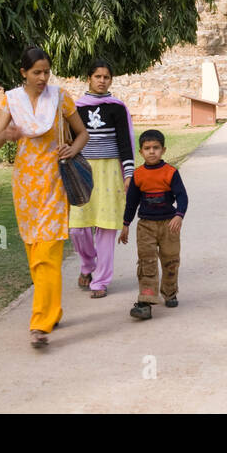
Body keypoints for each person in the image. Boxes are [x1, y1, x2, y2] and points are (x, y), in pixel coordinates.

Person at [0, 46, 88, 347]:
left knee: (47, 252)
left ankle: (40, 323)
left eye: (46, 71)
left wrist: (74, 147)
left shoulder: (61, 97)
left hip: (55, 181)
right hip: (25, 186)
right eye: (37, 72)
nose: (43, 77)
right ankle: (53, 308)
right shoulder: (12, 100)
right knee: (34, 251)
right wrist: (6, 136)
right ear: (24, 73)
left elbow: (82, 132)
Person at [69, 59, 136, 298]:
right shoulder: (74, 108)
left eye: (106, 77)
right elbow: (69, 142)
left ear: (111, 80)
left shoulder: (116, 108)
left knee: (106, 227)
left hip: (110, 172)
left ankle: (101, 280)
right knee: (78, 227)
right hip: (82, 171)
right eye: (98, 76)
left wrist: (128, 173)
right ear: (89, 78)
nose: (102, 81)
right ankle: (88, 264)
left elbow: (125, 143)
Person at [121, 129, 188, 319]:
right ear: (141, 152)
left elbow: (182, 196)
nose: (152, 152)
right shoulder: (138, 175)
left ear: (163, 150)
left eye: (156, 148)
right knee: (147, 262)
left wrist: (179, 215)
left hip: (169, 226)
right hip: (146, 226)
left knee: (170, 261)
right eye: (147, 148)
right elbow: (132, 202)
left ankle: (169, 292)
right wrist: (126, 224)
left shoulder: (171, 172)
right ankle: (146, 301)